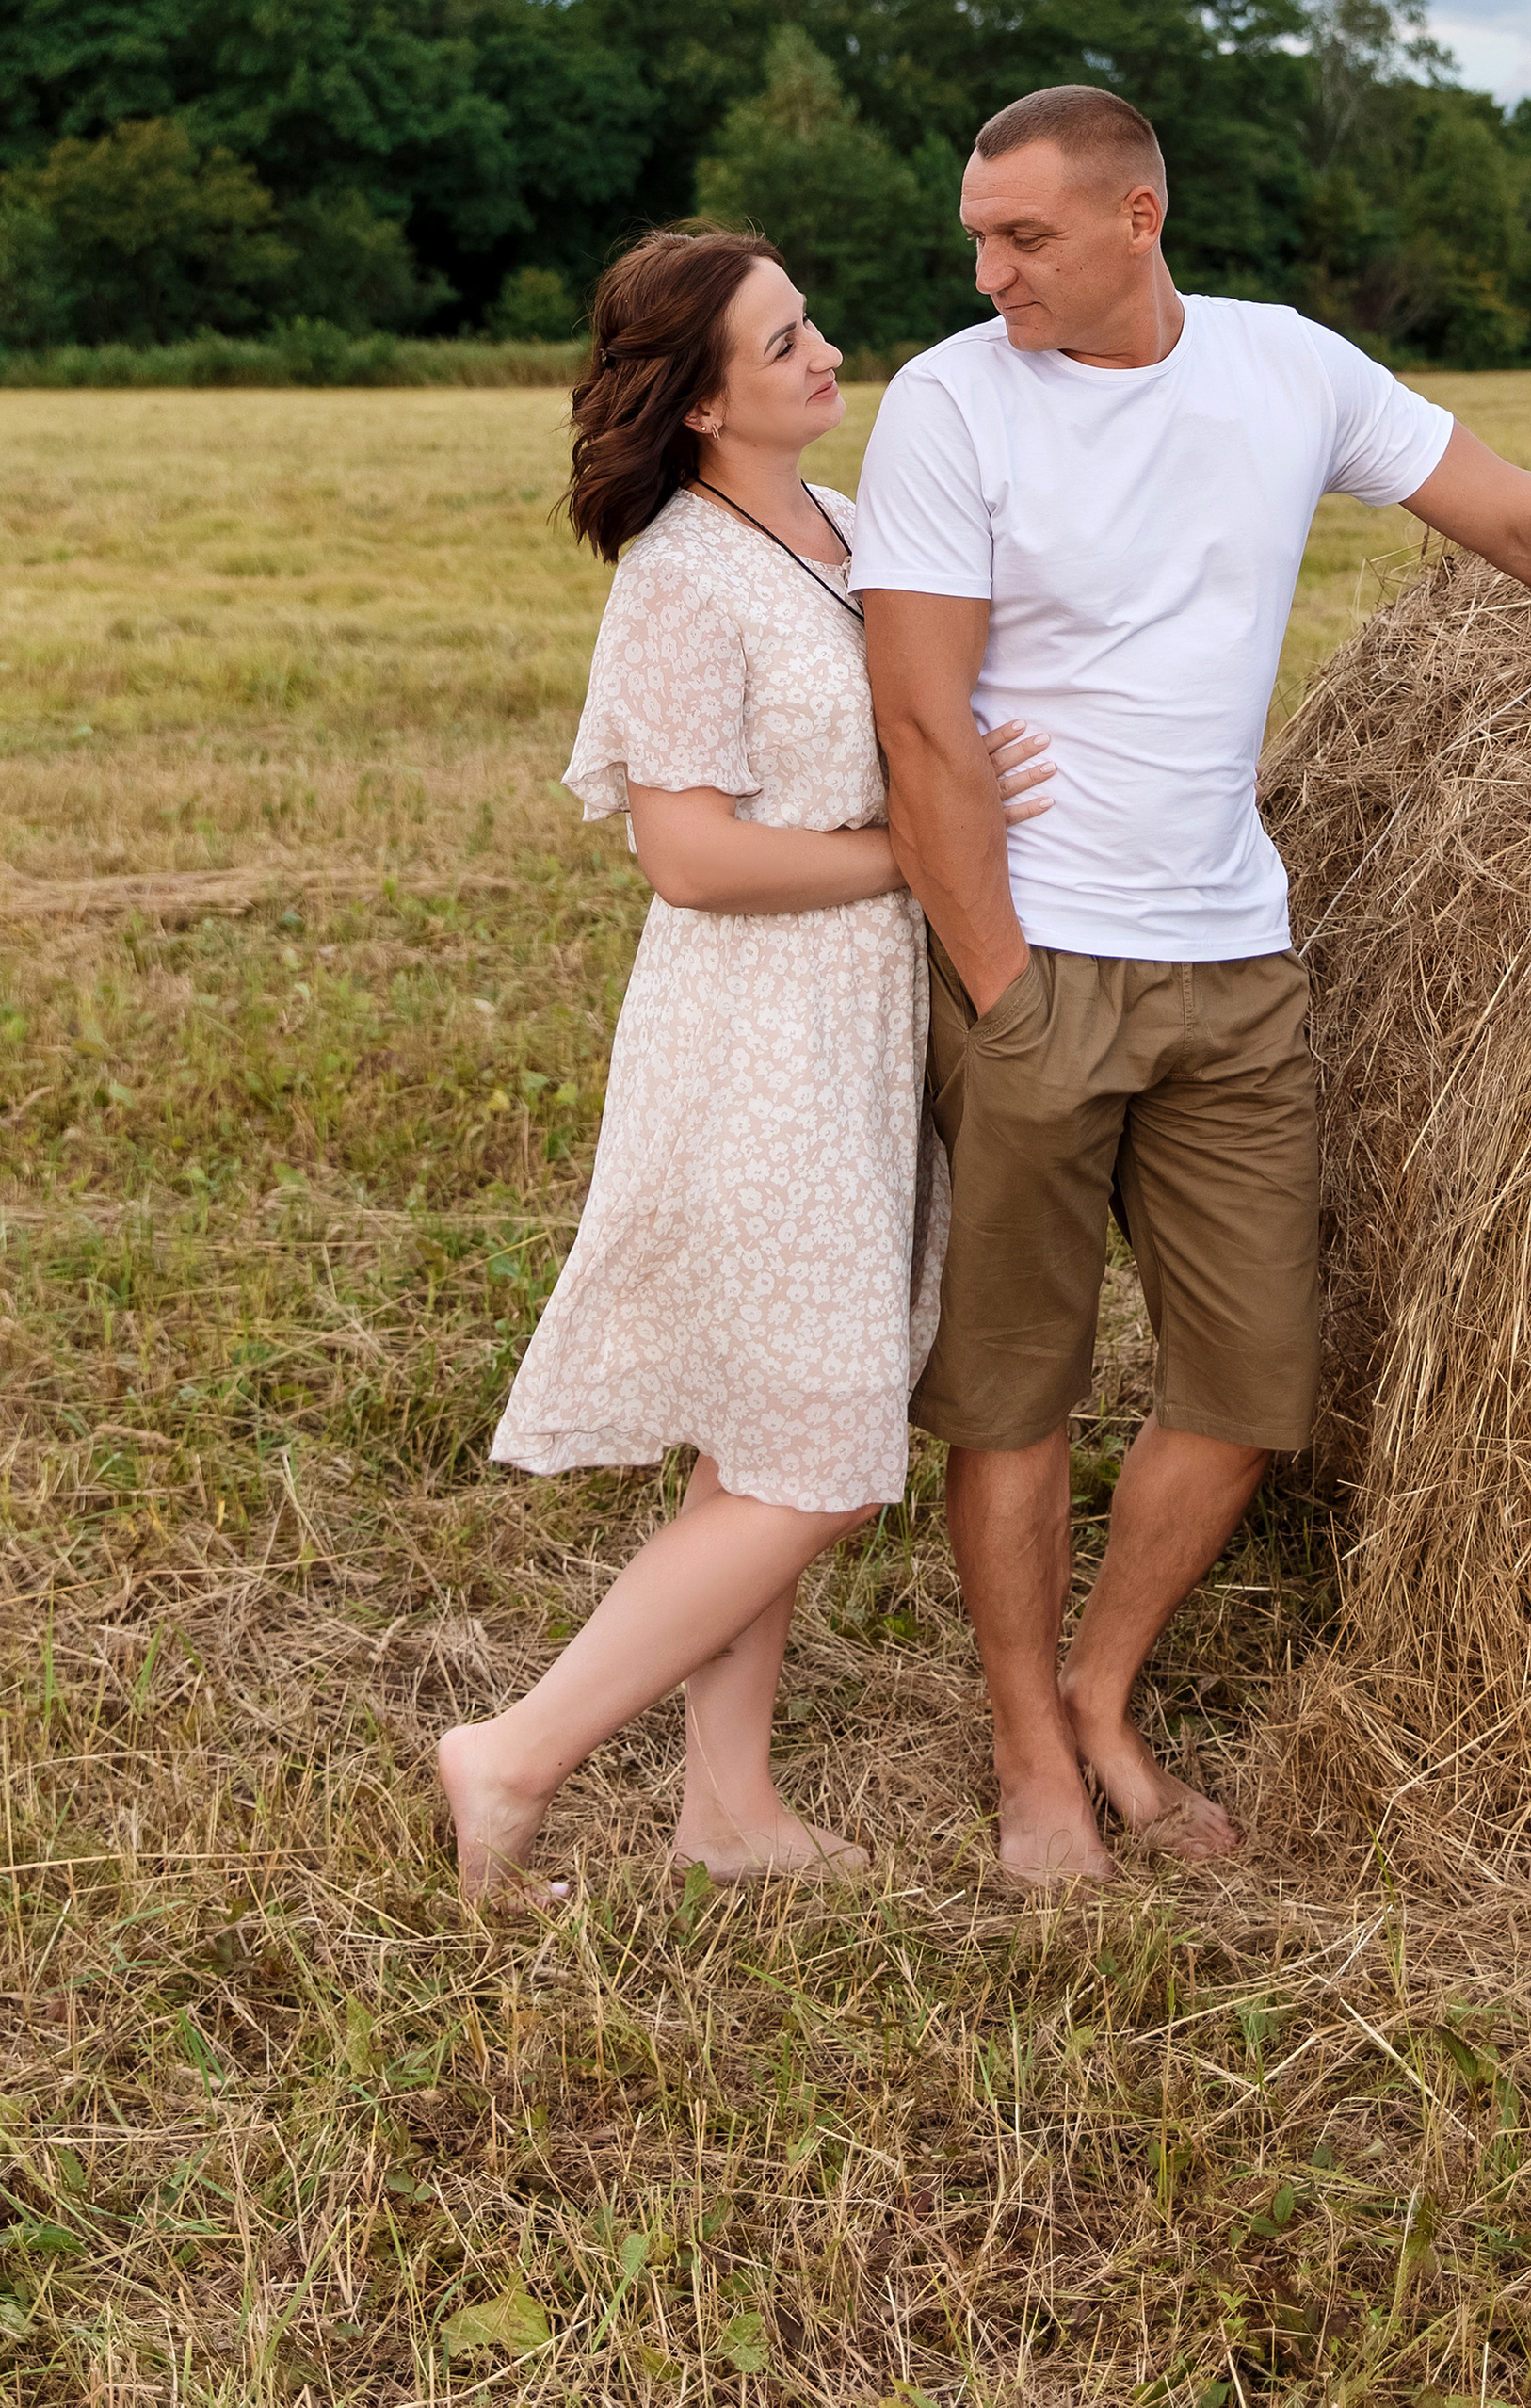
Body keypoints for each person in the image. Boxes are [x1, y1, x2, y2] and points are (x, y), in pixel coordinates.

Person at [852, 84, 1531, 1883]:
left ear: (1138, 219)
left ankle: (1105, 1692)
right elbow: (920, 720)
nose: (989, 272)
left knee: (1253, 1379)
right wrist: (1003, 988)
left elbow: (1517, 519)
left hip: (1235, 960)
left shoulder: (1286, 367)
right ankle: (1031, 1748)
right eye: (978, 237)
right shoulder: (953, 404)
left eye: (1023, 236)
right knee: (1017, 1390)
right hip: (1039, 961)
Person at [435, 227, 1053, 1905]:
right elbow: (689, 855)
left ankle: (729, 1807)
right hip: (757, 1040)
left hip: (860, 1025)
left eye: (810, 323)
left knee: (762, 1434)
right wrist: (921, 852)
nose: (825, 350)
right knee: (823, 1460)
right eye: (783, 343)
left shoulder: (843, 526)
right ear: (703, 404)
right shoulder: (680, 577)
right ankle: (515, 1754)